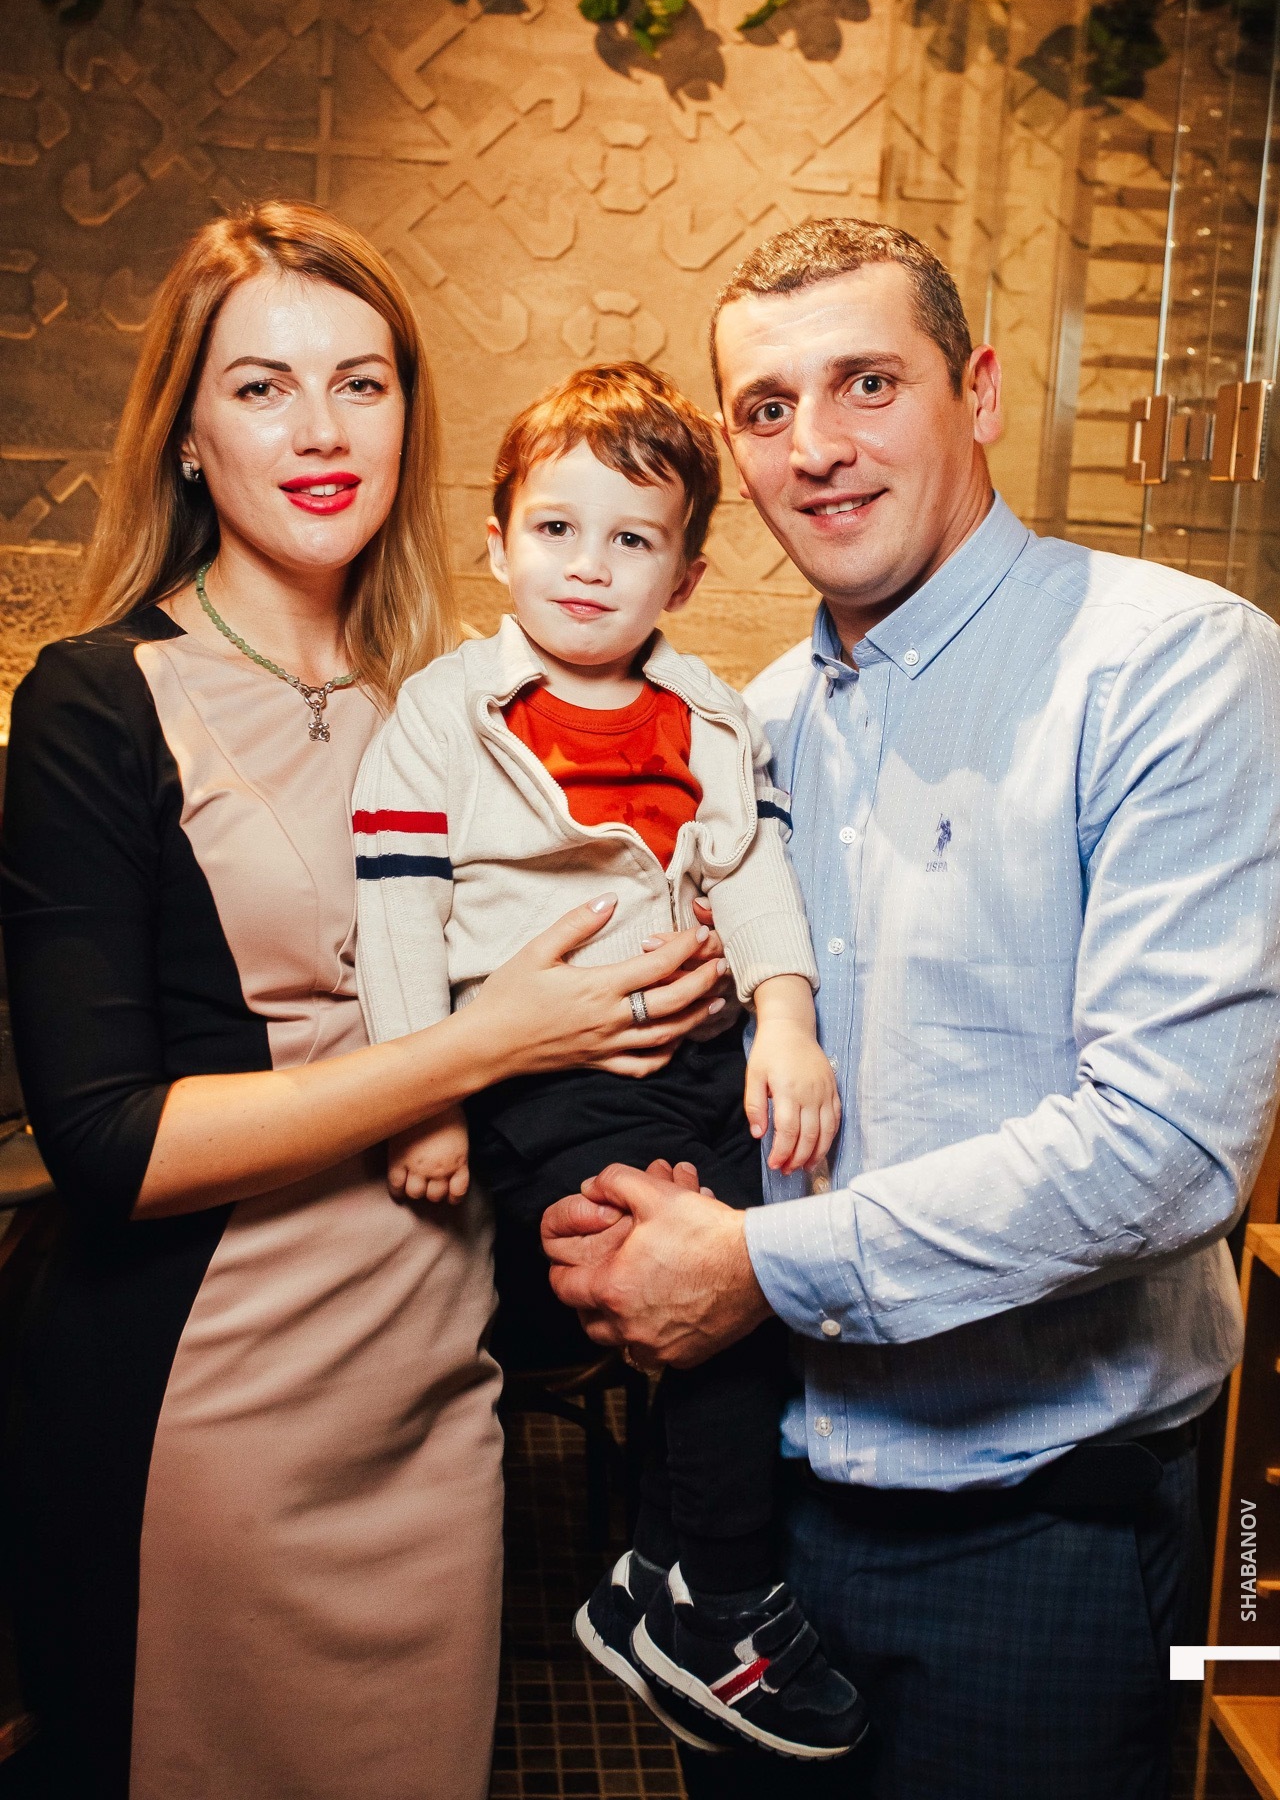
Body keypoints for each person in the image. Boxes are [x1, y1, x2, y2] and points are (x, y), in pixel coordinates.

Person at [542, 219, 1280, 1800]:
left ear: (982, 393)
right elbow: (722, 1083)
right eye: (767, 408)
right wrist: (616, 1204)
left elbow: (1168, 1152)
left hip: (1045, 1540)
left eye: (867, 383)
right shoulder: (751, 730)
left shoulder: (1175, 667)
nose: (816, 446)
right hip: (761, 1528)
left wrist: (750, 1267)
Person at [0, 203, 726, 1800]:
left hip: (436, 1407)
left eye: (363, 383)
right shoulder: (96, 703)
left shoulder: (474, 700)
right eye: (261, 388)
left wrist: (671, 1020)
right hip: (210, 1414)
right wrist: (482, 1043)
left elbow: (574, 998)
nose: (321, 431)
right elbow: (109, 1145)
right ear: (186, 435)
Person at [353, 359, 865, 1762]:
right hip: (542, 1085)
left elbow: (751, 875)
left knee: (764, 1272)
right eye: (557, 528)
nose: (589, 565)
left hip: (697, 1063)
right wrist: (425, 1095)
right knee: (685, 1282)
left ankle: (661, 1570)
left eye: (632, 539)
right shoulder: (443, 714)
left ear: (684, 576)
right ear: (498, 543)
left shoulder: (709, 712)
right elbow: (396, 911)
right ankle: (726, 1602)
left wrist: (786, 1021)